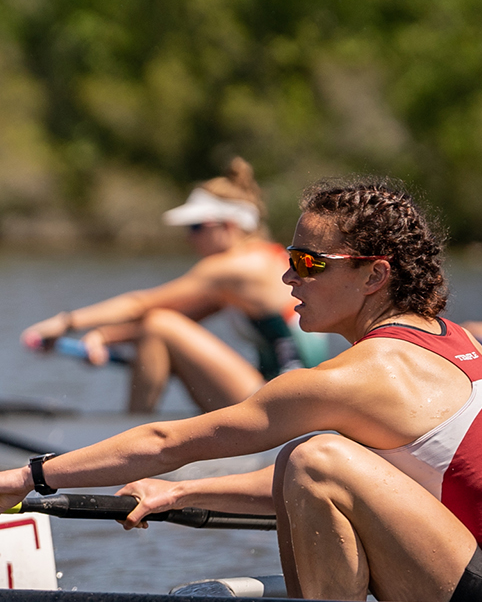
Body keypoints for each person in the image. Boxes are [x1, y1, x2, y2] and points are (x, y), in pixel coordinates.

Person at [0, 177, 482, 602]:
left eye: (309, 263)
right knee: (310, 461)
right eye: (291, 258)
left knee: (313, 456)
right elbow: (335, 486)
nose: (287, 276)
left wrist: (30, 476)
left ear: (374, 275)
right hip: (479, 579)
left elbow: (166, 441)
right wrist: (181, 491)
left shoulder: (356, 376)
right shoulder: (454, 339)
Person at [20, 157, 328, 413]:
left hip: (285, 402)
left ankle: (131, 436)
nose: (189, 238)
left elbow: (142, 305)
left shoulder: (236, 267)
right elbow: (181, 320)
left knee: (158, 324)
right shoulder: (260, 259)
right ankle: (138, 431)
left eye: (195, 227)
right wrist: (103, 337)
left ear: (228, 226)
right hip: (287, 394)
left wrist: (65, 322)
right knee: (159, 327)